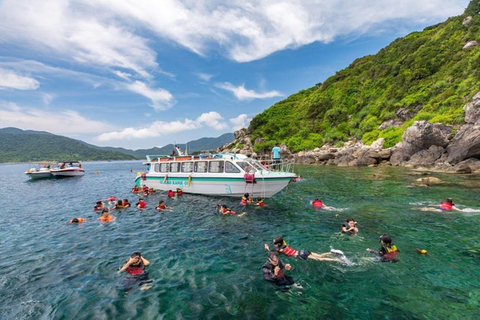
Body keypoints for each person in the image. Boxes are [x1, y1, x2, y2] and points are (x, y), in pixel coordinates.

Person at [265, 236, 342, 262]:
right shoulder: (284, 245)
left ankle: (337, 260)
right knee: (320, 255)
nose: (273, 245)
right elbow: (281, 240)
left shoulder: (280, 250)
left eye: (274, 243)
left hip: (300, 255)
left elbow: (273, 254)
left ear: (278, 244)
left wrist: (267, 249)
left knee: (320, 259)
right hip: (302, 251)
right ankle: (332, 252)